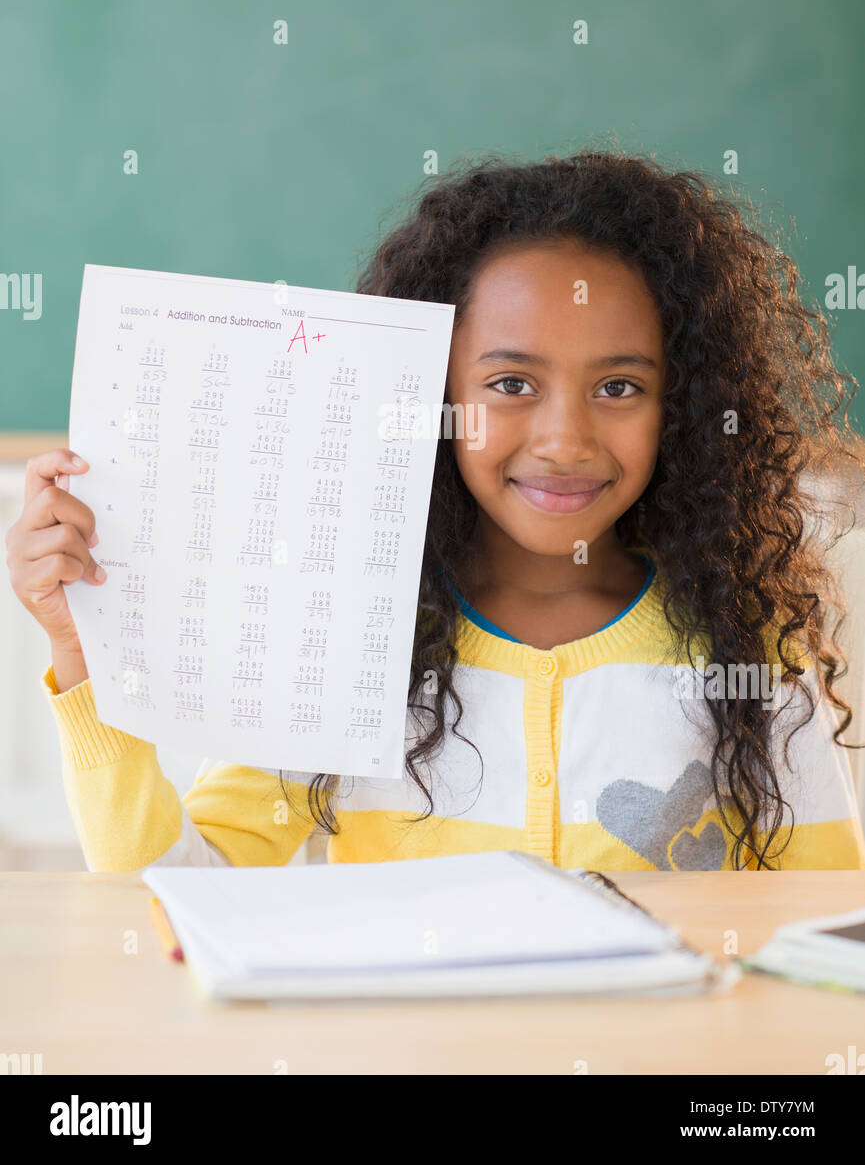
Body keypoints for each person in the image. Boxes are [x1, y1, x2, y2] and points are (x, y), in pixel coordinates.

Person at [7, 147, 865, 871]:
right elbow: (178, 895)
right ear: (429, 398)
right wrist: (84, 657)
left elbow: (816, 941)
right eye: (509, 383)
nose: (565, 441)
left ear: (677, 404)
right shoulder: (340, 648)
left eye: (617, 386)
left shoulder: (753, 656)